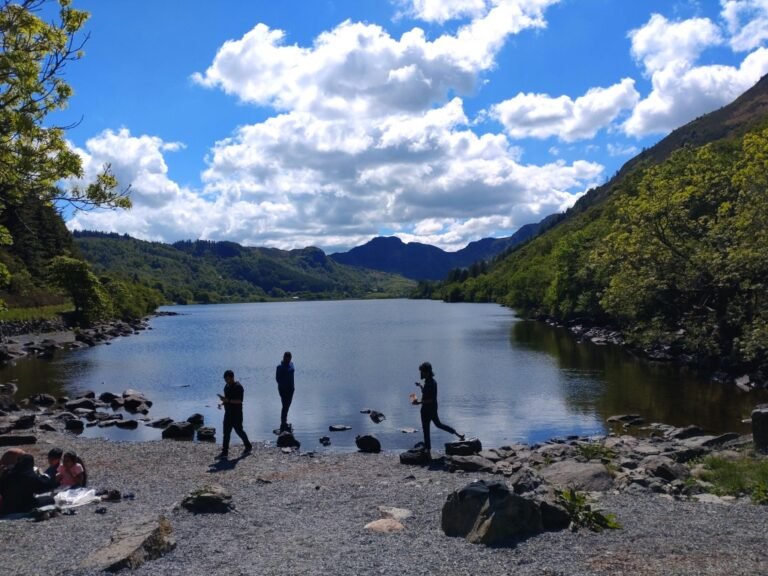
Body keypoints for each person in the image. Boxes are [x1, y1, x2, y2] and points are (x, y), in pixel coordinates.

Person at [413, 361, 464, 457]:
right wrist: (420, 386)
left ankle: (456, 434)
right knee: (432, 427)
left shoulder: (431, 383)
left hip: (429, 409)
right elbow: (426, 393)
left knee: (432, 427)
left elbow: (431, 399)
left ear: (427, 372)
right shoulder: (429, 381)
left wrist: (419, 402)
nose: (421, 373)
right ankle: (429, 448)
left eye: (422, 372)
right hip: (428, 409)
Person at [218, 369, 252, 459]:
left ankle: (248, 446)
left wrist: (227, 400)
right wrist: (222, 403)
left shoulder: (238, 387)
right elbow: (227, 399)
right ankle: (225, 452)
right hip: (228, 413)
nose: (226, 381)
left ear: (232, 377)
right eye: (225, 379)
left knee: (239, 431)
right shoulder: (226, 386)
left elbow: (239, 401)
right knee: (226, 432)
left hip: (237, 413)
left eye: (227, 379)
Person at [275, 351, 295, 432]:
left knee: (287, 405)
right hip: (283, 390)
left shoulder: (292, 364)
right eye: (287, 357)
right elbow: (277, 379)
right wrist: (284, 386)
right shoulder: (280, 367)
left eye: (289, 358)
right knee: (285, 405)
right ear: (284, 357)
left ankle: (284, 421)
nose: (288, 359)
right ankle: (283, 423)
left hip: (291, 389)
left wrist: (292, 387)